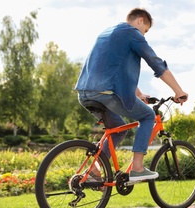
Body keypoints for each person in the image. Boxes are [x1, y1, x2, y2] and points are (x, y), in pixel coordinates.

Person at [75, 8, 188, 182]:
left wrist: (139, 94)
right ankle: (137, 168)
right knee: (147, 116)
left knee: (118, 130)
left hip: (85, 92)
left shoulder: (108, 33)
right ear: (140, 21)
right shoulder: (132, 33)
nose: (144, 35)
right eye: (146, 30)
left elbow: (116, 68)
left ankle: (95, 170)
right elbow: (156, 64)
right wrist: (178, 91)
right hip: (106, 93)